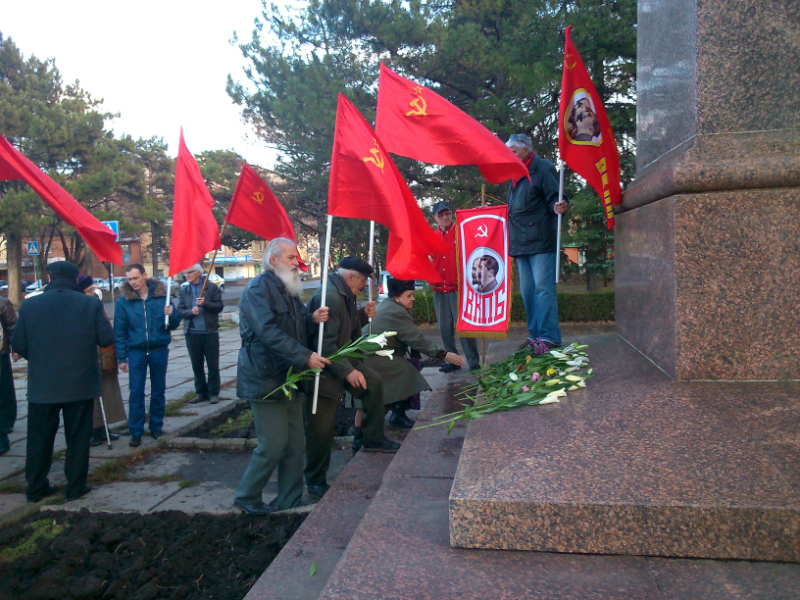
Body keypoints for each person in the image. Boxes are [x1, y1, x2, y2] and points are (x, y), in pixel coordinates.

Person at [233, 238, 330, 515]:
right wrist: (305, 357)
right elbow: (268, 333)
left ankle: (290, 500)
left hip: (289, 377)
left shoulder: (288, 288)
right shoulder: (257, 289)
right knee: (273, 444)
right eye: (290, 257)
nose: (295, 262)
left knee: (295, 444)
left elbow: (292, 326)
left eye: (295, 258)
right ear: (273, 260)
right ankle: (246, 496)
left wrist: (311, 319)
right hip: (265, 379)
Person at [11, 261, 115, 502]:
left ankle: (35, 487)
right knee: (78, 437)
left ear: (49, 277)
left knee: (39, 439)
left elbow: (18, 343)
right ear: (76, 279)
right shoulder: (90, 303)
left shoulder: (29, 305)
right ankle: (75, 486)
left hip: (43, 385)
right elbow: (105, 338)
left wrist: (39, 360)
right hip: (80, 383)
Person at [306, 257, 399, 499]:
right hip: (324, 369)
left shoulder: (344, 293)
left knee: (373, 383)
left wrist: (362, 315)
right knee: (321, 429)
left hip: (343, 357)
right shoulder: (330, 297)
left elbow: (343, 327)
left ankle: (372, 439)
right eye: (363, 281)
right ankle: (315, 480)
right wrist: (348, 371)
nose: (364, 285)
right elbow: (325, 345)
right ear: (350, 277)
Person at [358, 278, 465, 440]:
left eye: (413, 295)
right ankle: (389, 418)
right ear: (397, 297)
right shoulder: (397, 312)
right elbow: (417, 340)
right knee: (406, 371)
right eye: (409, 295)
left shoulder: (389, 305)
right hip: (373, 357)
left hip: (371, 355)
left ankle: (396, 415)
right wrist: (445, 355)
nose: (413, 298)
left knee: (406, 369)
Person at [505, 133, 569, 350]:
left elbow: (556, 197)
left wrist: (558, 206)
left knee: (543, 289)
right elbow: (513, 209)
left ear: (526, 149)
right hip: (521, 243)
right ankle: (534, 336)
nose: (510, 155)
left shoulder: (543, 167)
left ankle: (550, 337)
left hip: (541, 241)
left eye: (513, 151)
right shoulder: (514, 173)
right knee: (527, 292)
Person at [114, 263, 180, 447]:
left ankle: (156, 426)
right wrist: (122, 358)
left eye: (135, 278)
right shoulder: (123, 303)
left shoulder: (161, 297)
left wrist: (172, 314)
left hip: (159, 350)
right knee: (136, 392)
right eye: (129, 279)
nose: (133, 282)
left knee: (158, 390)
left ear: (144, 275)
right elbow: (119, 332)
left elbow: (173, 324)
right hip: (136, 352)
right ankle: (136, 431)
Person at [429, 201, 481, 372]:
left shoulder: (461, 232)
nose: (445, 217)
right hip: (439, 288)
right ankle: (452, 361)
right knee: (444, 328)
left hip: (459, 288)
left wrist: (480, 213)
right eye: (441, 215)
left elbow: (479, 234)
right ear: (435, 218)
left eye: (447, 214)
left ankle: (473, 361)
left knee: (464, 327)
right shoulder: (430, 237)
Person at [76, 276, 126, 447]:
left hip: (104, 352)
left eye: (93, 288)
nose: (94, 291)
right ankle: (92, 430)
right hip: (88, 354)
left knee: (107, 390)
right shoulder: (79, 306)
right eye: (89, 289)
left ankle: (105, 427)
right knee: (91, 395)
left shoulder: (96, 303)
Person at [177, 264, 224, 405]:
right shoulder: (184, 290)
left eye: (189, 272)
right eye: (184, 273)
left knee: (213, 365)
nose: (186, 275)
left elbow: (219, 306)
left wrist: (205, 304)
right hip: (192, 333)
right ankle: (201, 392)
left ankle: (213, 393)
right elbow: (180, 310)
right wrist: (190, 312)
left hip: (209, 333)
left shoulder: (211, 288)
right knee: (196, 365)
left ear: (197, 273)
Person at [0, 296, 18, 456]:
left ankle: (7, 420)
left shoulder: (2, 303)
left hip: (1, 352)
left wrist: (15, 348)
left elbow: (12, 327)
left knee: (4, 387)